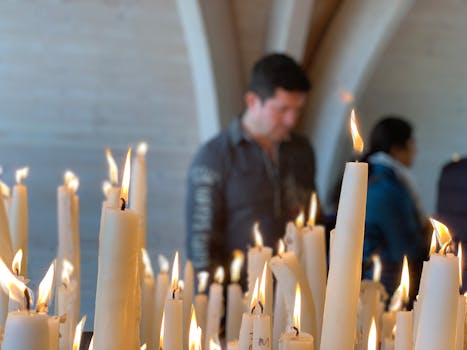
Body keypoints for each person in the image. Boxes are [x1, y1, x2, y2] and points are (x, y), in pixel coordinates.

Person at [186, 53, 316, 277]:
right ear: (252, 101)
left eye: (297, 110)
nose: (291, 120)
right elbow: (201, 244)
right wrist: (212, 302)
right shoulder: (215, 157)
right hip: (238, 294)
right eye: (282, 109)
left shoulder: (301, 150)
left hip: (294, 288)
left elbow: (313, 213)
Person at [362, 116, 429, 303]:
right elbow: (406, 247)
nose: (416, 150)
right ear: (397, 149)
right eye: (412, 143)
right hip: (385, 284)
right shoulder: (387, 188)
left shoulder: (377, 176)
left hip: (379, 277)